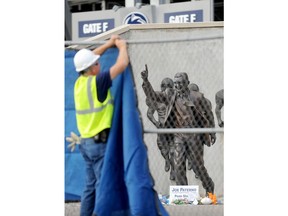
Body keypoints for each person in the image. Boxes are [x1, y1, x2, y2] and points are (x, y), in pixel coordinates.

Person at [72, 35, 129, 216]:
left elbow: (90, 58)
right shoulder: (99, 81)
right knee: (102, 184)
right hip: (99, 143)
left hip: (86, 143)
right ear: (92, 68)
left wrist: (108, 44)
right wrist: (121, 46)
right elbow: (122, 65)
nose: (100, 63)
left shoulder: (80, 82)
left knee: (89, 187)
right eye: (97, 63)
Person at [144, 76, 175, 178]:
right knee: (162, 148)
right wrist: (155, 122)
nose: (165, 88)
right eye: (163, 85)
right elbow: (149, 113)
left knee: (172, 151)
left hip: (173, 129)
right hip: (161, 129)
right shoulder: (156, 100)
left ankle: (173, 170)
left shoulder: (175, 98)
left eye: (168, 85)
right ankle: (167, 160)